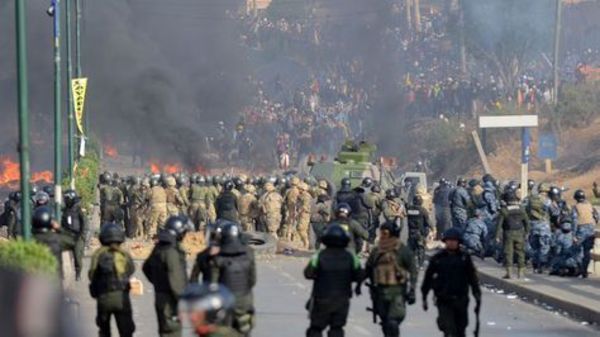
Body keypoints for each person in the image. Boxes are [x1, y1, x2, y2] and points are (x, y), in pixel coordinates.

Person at [304, 224, 363, 337]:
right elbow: (359, 275)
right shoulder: (351, 257)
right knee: (336, 329)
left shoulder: (319, 256)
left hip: (321, 299)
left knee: (315, 329)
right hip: (341, 300)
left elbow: (308, 273)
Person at [422, 228, 481, 337]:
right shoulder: (438, 258)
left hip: (461, 299)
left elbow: (472, 277)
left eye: (454, 240)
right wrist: (424, 296)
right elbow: (428, 278)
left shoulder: (464, 258)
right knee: (448, 328)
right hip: (444, 299)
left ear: (458, 242)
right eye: (449, 240)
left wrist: (477, 294)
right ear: (445, 241)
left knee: (460, 329)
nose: (451, 242)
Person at [363, 221, 417, 337]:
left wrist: (412, 289)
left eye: (385, 233)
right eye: (381, 233)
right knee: (386, 323)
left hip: (397, 291)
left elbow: (413, 270)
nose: (382, 236)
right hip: (380, 292)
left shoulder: (402, 250)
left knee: (393, 322)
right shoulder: (377, 251)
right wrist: (358, 283)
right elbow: (368, 269)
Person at [143, 216, 191, 337]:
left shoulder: (160, 246)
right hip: (171, 301)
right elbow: (176, 282)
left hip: (161, 296)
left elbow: (146, 268)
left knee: (165, 332)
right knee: (173, 332)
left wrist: (159, 282)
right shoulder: (171, 251)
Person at [208, 222, 256, 337]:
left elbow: (213, 284)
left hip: (225, 301)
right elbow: (252, 280)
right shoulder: (248, 255)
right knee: (244, 331)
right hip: (244, 301)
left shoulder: (218, 258)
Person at [89, 223, 136, 337]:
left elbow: (92, 274)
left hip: (104, 297)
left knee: (104, 331)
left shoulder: (98, 254)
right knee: (126, 331)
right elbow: (131, 269)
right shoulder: (123, 253)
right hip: (121, 297)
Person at [32, 206, 76, 279]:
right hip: (55, 280)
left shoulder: (31, 240)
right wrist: (59, 229)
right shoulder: (57, 239)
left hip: (36, 282)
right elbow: (72, 241)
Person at [496, 190, 530, 279]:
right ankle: (521, 273)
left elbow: (499, 224)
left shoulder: (504, 210)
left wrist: (497, 236)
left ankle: (509, 273)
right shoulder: (521, 209)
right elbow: (526, 222)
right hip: (520, 233)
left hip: (508, 233)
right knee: (520, 252)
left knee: (508, 253)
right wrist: (527, 233)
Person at [571, 189, 599, 278]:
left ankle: (579, 269)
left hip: (580, 230)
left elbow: (574, 221)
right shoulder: (590, 205)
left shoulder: (576, 207)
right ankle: (584, 271)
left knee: (577, 250)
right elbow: (597, 217)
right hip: (590, 230)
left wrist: (573, 235)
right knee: (587, 251)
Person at [61, 189, 88, 281]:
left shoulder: (79, 210)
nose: (65, 200)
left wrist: (82, 236)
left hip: (78, 236)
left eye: (66, 198)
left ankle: (78, 273)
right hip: (67, 235)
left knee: (77, 256)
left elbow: (84, 224)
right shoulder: (65, 210)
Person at [526, 183, 552, 273]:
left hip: (533, 225)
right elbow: (554, 212)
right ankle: (542, 266)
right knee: (544, 247)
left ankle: (535, 266)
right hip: (543, 226)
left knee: (534, 247)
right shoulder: (547, 201)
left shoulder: (531, 199)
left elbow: (526, 209)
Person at [406, 195, 432, 267]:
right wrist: (432, 228)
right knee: (421, 248)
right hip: (420, 233)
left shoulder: (409, 209)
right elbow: (428, 222)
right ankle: (420, 265)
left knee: (411, 248)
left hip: (411, 232)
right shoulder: (423, 210)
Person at [296, 182, 314, 249]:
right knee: (301, 229)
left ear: (303, 189)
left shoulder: (306, 196)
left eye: (299, 189)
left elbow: (305, 207)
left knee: (301, 229)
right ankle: (304, 243)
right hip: (302, 214)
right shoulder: (302, 195)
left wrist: (298, 213)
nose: (298, 190)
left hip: (305, 214)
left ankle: (306, 243)